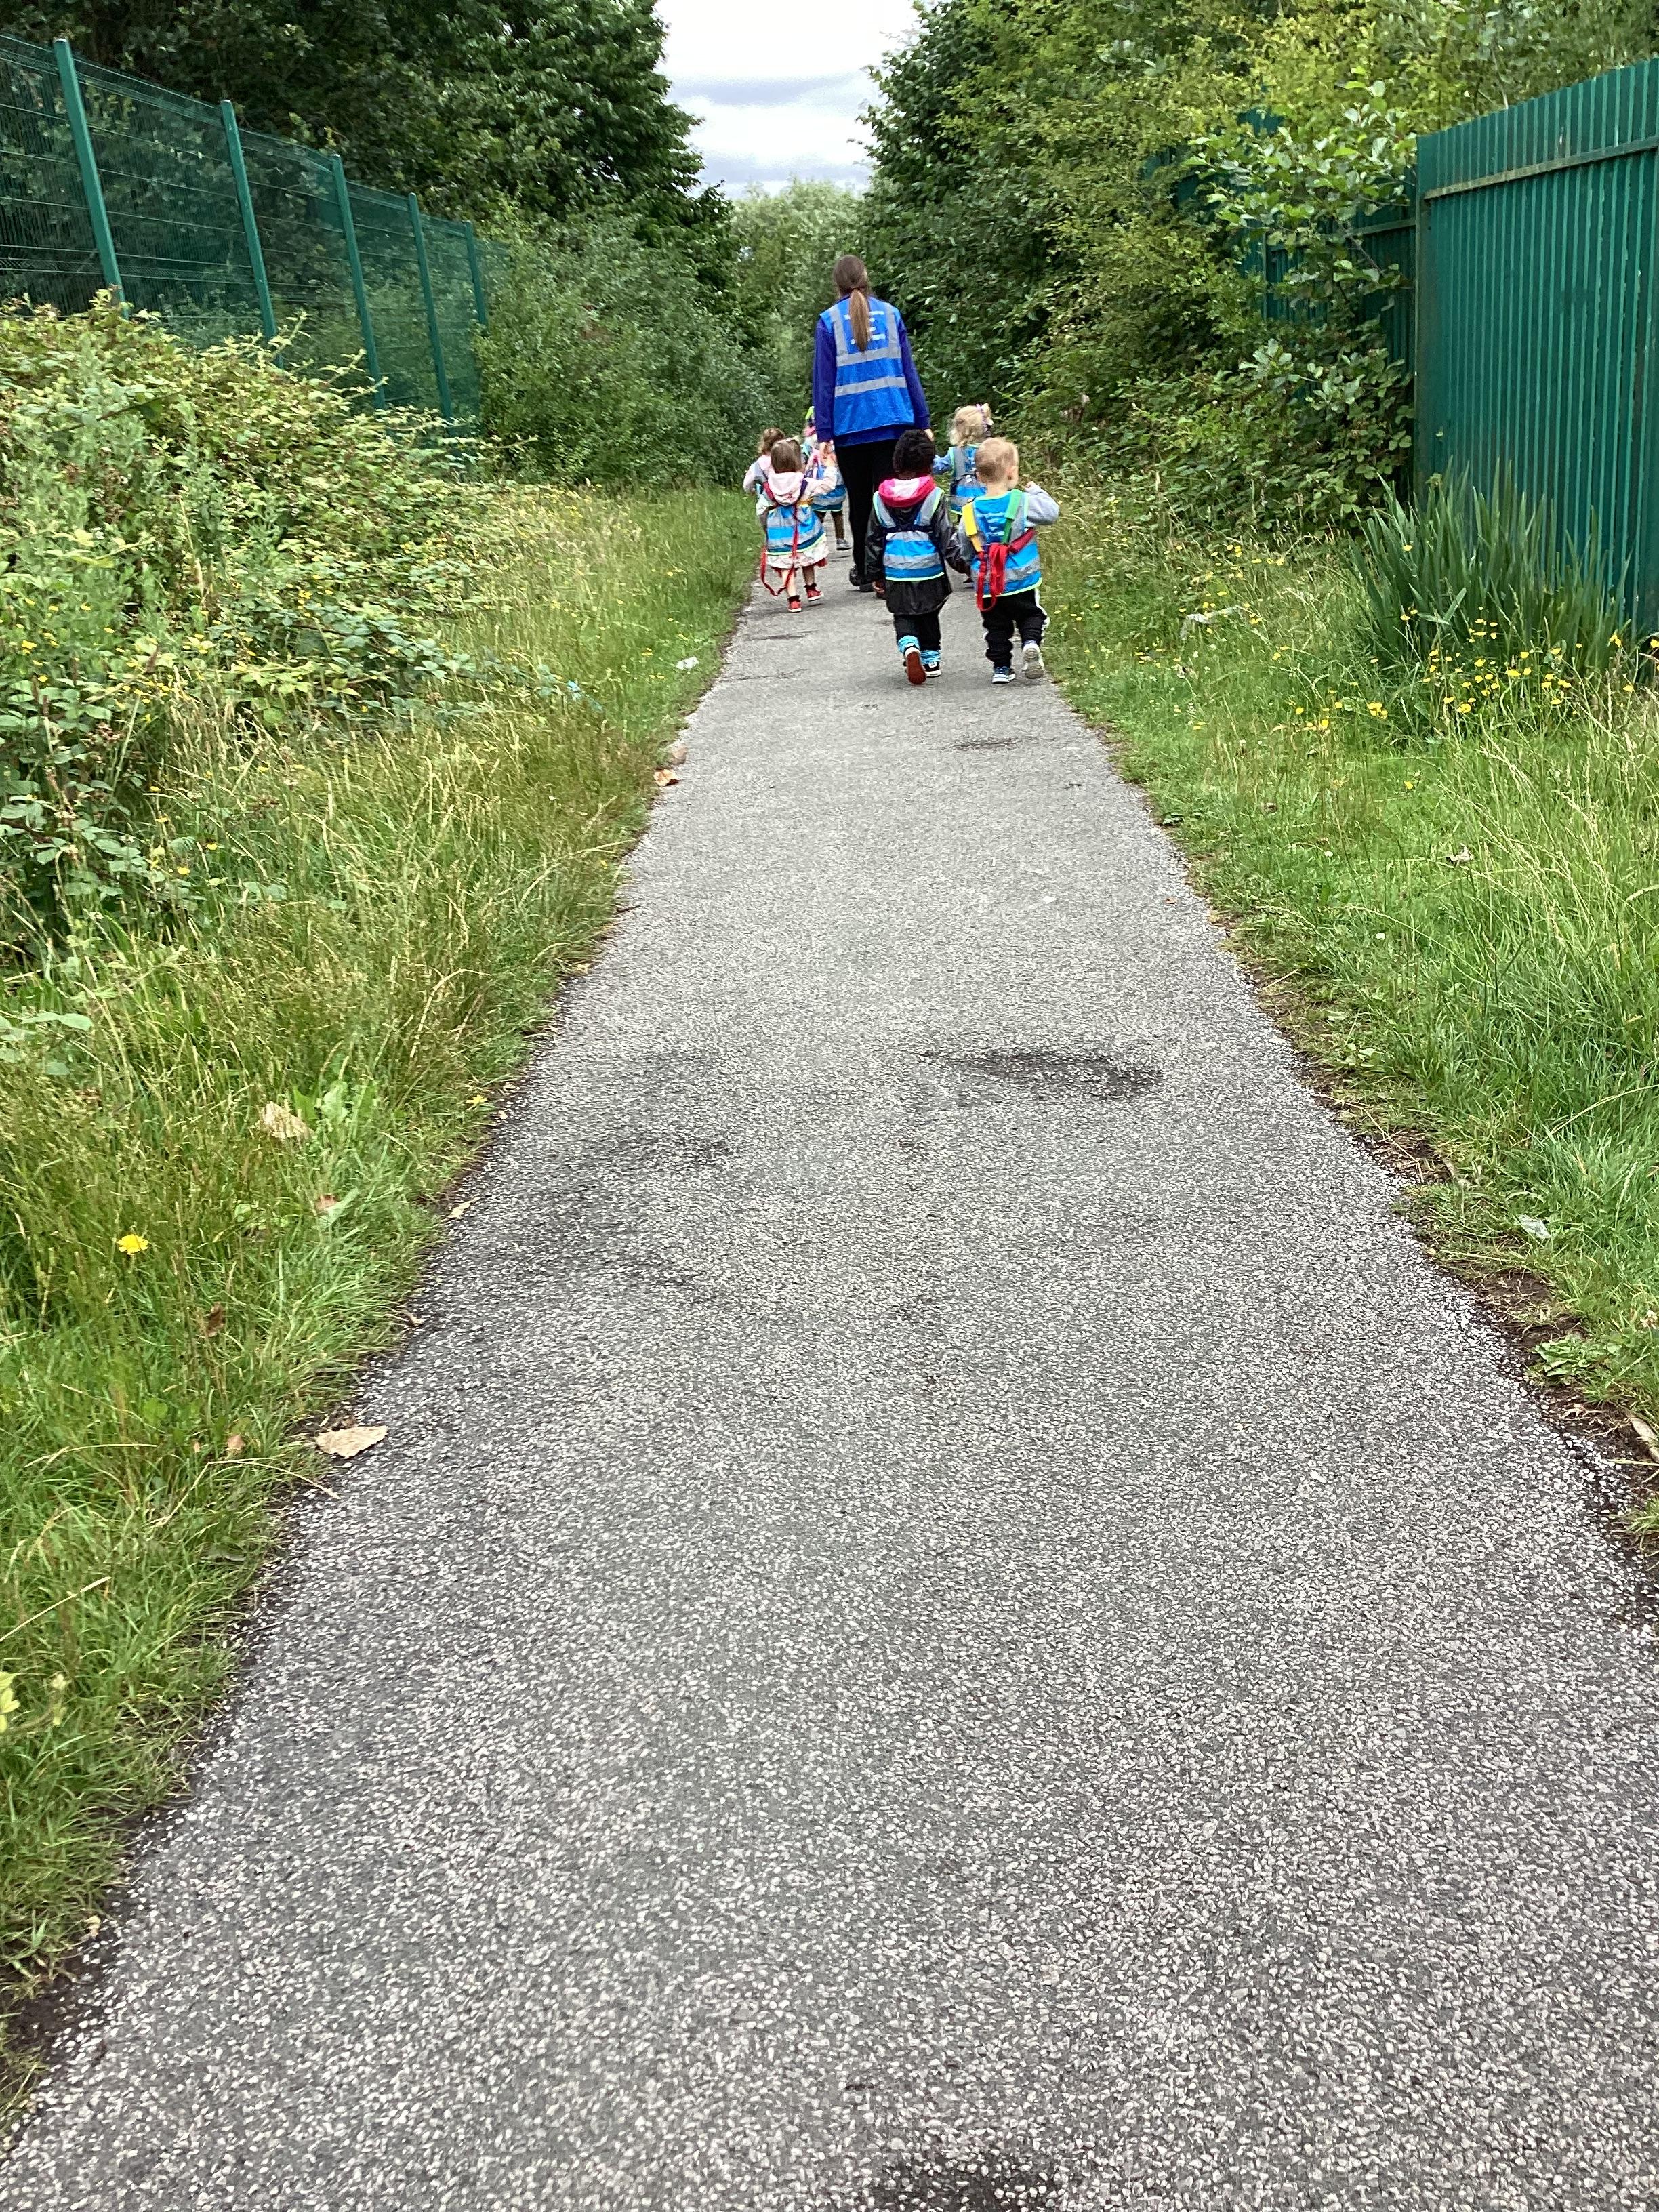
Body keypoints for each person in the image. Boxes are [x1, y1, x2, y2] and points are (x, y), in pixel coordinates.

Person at [811, 255, 929, 592]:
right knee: (889, 497)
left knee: (861, 502)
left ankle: (866, 570)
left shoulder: (828, 322)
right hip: (893, 419)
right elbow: (908, 370)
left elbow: (823, 382)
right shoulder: (891, 315)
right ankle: (891, 568)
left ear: (837, 285)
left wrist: (824, 432)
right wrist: (922, 418)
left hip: (850, 426)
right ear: (866, 279)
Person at [953, 436, 1060, 684]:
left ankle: (1001, 668)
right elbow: (1052, 513)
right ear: (1012, 472)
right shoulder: (1022, 502)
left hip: (988, 581)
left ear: (978, 477)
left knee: (996, 626)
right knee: (1031, 615)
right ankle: (1031, 643)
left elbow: (964, 546)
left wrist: (970, 563)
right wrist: (1036, 491)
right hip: (1022, 579)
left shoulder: (969, 510)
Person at [865, 426, 962, 684]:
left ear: (896, 462)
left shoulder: (879, 499)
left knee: (903, 613)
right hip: (930, 569)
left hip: (896, 571)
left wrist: (874, 573)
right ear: (929, 464)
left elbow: (873, 539)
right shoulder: (934, 496)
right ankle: (931, 660)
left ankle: (909, 646)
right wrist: (963, 563)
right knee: (930, 611)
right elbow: (946, 535)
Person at [756, 436, 827, 612]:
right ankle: (811, 588)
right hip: (803, 529)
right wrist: (831, 468)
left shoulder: (769, 486)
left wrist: (766, 527)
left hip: (779, 533)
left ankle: (793, 599)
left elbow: (761, 509)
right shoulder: (804, 482)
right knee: (806, 556)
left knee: (785, 564)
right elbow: (825, 487)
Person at [937, 403, 993, 522]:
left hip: (962, 503)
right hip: (986, 500)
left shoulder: (955, 453)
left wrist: (928, 455)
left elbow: (938, 467)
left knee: (966, 530)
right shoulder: (991, 450)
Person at [802, 412, 847, 548]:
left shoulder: (809, 446)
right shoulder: (834, 444)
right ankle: (840, 539)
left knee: (818, 515)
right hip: (836, 487)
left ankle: (814, 538)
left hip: (818, 488)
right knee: (837, 514)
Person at [743, 428, 787, 513]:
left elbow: (746, 485)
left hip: (766, 504)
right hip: (786, 503)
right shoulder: (786, 462)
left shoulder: (757, 465)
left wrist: (751, 490)